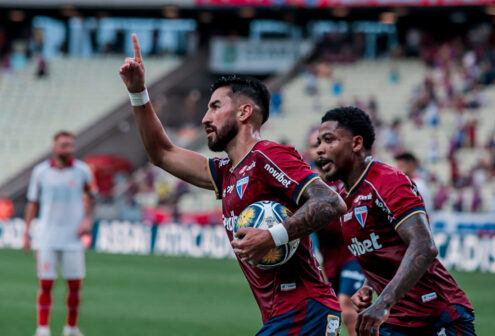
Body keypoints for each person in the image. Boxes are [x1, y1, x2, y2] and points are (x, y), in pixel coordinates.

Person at [119, 34, 347, 335]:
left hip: (305, 310)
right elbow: (162, 153)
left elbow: (331, 202)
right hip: (288, 315)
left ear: (244, 112)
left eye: (214, 107)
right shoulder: (227, 172)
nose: (205, 118)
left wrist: (272, 236)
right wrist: (139, 94)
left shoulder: (268, 156)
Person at [315, 106, 475, 336]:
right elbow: (381, 251)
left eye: (328, 140)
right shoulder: (344, 200)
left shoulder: (387, 181)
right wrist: (369, 287)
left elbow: (424, 245)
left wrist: (383, 303)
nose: (320, 149)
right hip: (399, 321)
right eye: (319, 142)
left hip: (437, 315)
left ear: (356, 143)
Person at [24, 131, 95, 336]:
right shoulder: (41, 172)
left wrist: (88, 219)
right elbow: (33, 203)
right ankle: (43, 328)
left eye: (71, 145)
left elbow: (93, 197)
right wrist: (26, 233)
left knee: (75, 285)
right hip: (47, 237)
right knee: (46, 283)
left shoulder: (82, 170)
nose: (68, 149)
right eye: (64, 145)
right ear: (54, 147)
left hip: (73, 238)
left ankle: (71, 328)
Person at [306, 128, 364, 336]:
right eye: (315, 146)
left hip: (354, 253)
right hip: (330, 259)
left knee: (347, 307)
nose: (320, 150)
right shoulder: (305, 181)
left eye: (324, 144)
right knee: (332, 312)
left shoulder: (343, 175)